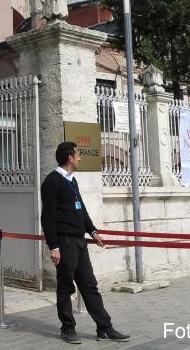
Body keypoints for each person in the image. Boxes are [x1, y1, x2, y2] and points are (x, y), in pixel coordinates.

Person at [40, 141, 130, 344]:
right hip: (64, 243)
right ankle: (68, 328)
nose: (80, 157)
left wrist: (93, 231)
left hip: (79, 242)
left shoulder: (72, 181)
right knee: (65, 287)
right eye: (77, 154)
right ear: (70, 158)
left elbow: (82, 210)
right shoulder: (52, 182)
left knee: (89, 285)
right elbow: (47, 218)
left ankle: (104, 328)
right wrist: (54, 246)